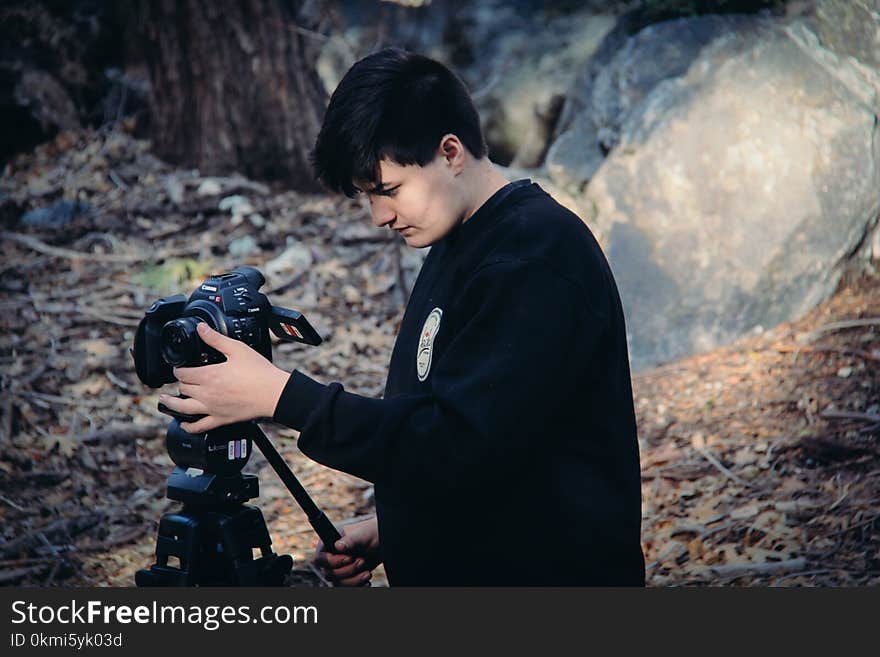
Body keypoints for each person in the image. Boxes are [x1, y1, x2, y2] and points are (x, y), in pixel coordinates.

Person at [160, 48, 645, 586]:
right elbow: (499, 442)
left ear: (451, 152)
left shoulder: (534, 258)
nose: (380, 217)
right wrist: (399, 528)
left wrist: (283, 397)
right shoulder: (461, 241)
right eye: (368, 197)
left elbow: (454, 445)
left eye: (388, 191)